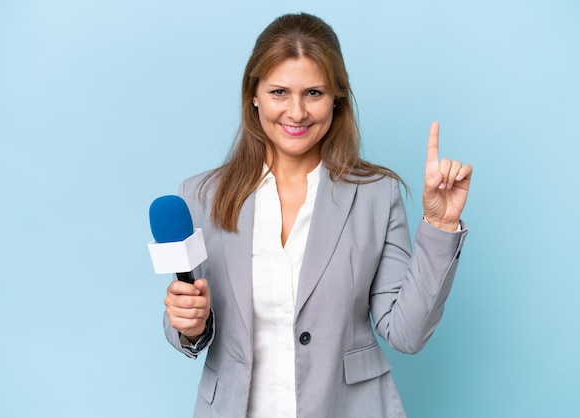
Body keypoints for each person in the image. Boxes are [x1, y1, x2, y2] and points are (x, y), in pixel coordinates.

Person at [163, 12, 472, 418]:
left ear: (336, 98)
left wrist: (441, 224)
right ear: (253, 94)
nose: (296, 112)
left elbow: (407, 333)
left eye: (313, 93)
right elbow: (188, 317)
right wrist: (187, 322)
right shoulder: (201, 196)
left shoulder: (376, 195)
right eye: (278, 92)